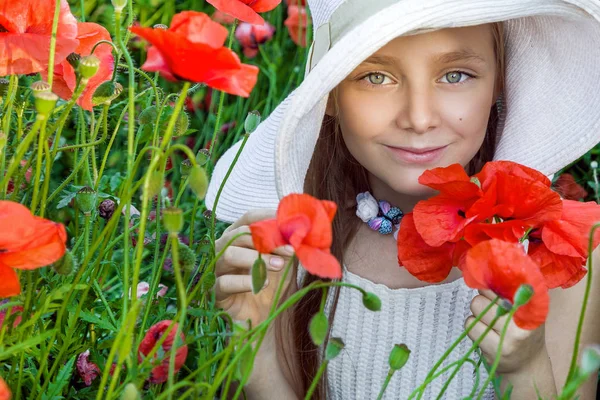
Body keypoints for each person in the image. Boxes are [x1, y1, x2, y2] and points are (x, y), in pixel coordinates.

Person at [206, 0, 600, 399]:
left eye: (456, 74)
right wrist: (257, 347)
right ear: (329, 92)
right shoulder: (292, 251)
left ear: (501, 80)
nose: (418, 117)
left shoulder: (557, 250)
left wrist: (524, 367)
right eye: (376, 77)